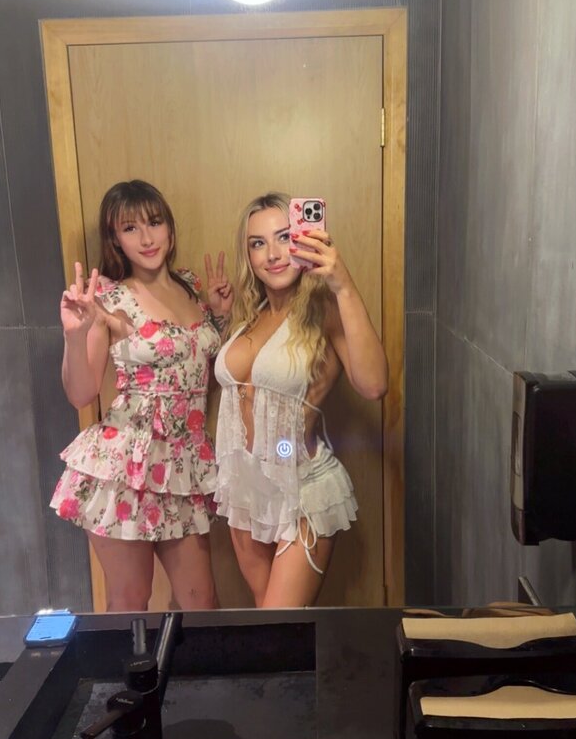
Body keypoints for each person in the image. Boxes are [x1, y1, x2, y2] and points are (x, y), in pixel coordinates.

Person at [51, 179, 233, 612]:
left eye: (154, 222)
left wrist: (219, 320)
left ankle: (187, 663)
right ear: (115, 239)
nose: (147, 238)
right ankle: (127, 664)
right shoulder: (109, 300)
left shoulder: (190, 288)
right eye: (130, 228)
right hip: (126, 463)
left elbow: (198, 376)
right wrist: (75, 335)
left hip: (185, 464)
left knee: (202, 602)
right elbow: (81, 394)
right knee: (130, 601)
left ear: (169, 227)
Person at [213, 192, 388, 608]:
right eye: (258, 243)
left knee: (279, 620)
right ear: (248, 255)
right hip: (246, 488)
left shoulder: (324, 310)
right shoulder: (249, 315)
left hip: (302, 488)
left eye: (284, 237)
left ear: (305, 239)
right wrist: (222, 318)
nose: (273, 254)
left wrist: (343, 284)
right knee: (269, 623)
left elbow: (374, 385)